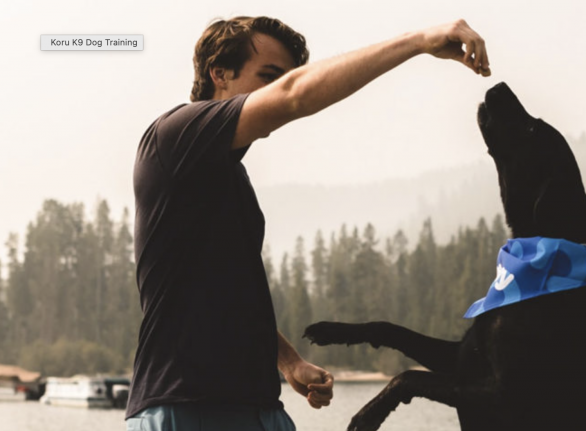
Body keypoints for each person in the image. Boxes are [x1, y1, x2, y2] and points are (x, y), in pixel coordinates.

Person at [126, 15, 491, 431]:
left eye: (283, 77)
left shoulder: (230, 175)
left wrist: (288, 360)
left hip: (260, 408)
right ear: (219, 74)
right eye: (268, 76)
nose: (276, 89)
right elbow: (296, 96)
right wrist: (420, 40)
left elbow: (229, 288)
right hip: (184, 406)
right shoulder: (174, 136)